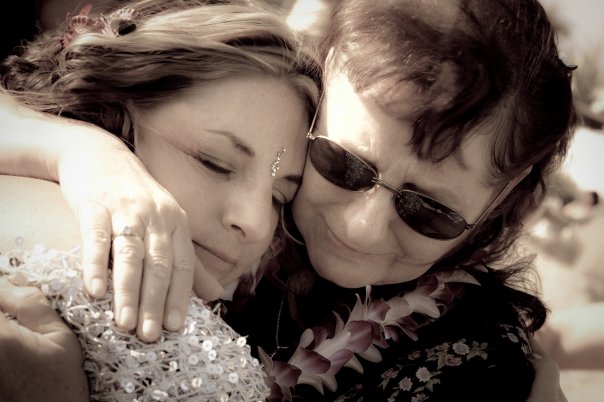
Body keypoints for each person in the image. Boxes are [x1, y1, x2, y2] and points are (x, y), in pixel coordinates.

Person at [0, 0, 576, 401]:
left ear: (502, 200)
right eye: (343, 165)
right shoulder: (252, 126)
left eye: (429, 211)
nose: (362, 227)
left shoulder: (483, 372)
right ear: (323, 85)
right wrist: (78, 150)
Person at [0, 0, 321, 400]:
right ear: (113, 111)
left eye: (279, 197)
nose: (255, 222)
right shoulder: (76, 265)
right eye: (215, 163)